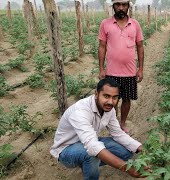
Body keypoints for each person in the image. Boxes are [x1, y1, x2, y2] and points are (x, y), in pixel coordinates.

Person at [50, 78, 144, 179]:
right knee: (92, 153)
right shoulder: (80, 111)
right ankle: (89, 167)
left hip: (86, 141)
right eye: (106, 96)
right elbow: (93, 146)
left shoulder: (109, 110)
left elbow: (118, 134)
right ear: (96, 93)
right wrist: (127, 169)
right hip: (66, 150)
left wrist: (141, 148)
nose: (111, 102)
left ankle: (88, 164)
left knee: (126, 151)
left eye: (115, 97)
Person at [98, 0, 144, 133]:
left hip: (130, 72)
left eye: (124, 5)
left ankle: (122, 123)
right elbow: (102, 46)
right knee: (112, 101)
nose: (121, 8)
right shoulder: (105, 24)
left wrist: (140, 69)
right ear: (113, 6)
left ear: (128, 6)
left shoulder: (135, 24)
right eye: (118, 5)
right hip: (112, 72)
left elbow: (140, 47)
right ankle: (113, 125)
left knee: (126, 99)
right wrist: (101, 68)